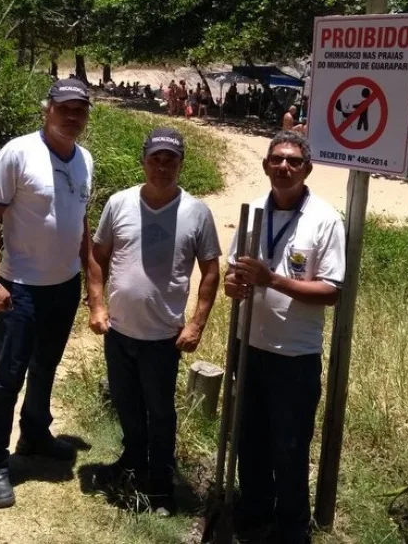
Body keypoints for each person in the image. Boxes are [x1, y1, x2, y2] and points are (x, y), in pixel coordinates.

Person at [0, 79, 103, 509]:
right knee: (8, 375)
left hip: (62, 286)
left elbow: (80, 222)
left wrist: (90, 281)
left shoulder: (85, 159)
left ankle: (34, 434)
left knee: (45, 367)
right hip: (20, 287)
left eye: (79, 109)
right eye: (64, 107)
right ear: (47, 110)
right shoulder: (18, 152)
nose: (72, 116)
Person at [88, 128, 221, 516]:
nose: (162, 167)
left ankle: (161, 485)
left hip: (163, 337)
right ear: (144, 160)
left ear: (181, 164)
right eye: (156, 159)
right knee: (127, 405)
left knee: (160, 412)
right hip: (118, 331)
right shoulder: (119, 203)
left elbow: (210, 271)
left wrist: (196, 324)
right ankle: (132, 462)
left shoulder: (196, 212)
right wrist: (97, 306)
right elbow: (97, 256)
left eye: (171, 160)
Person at [224, 131, 346, 544]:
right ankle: (255, 509)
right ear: (266, 165)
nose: (284, 167)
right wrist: (233, 284)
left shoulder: (324, 219)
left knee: (290, 446)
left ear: (307, 168)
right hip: (249, 345)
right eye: (277, 159)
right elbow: (232, 268)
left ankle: (293, 526)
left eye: (293, 161)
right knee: (249, 438)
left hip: (294, 355)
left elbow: (331, 291)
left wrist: (271, 279)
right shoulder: (253, 210)